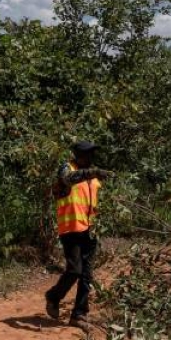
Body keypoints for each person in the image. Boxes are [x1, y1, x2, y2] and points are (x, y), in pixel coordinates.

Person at [45, 140, 110, 329]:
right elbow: (67, 179)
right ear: (76, 154)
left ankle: (79, 314)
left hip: (91, 229)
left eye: (90, 154)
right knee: (74, 270)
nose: (88, 157)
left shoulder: (94, 177)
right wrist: (93, 172)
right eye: (84, 154)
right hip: (71, 229)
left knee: (87, 274)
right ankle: (53, 296)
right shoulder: (67, 169)